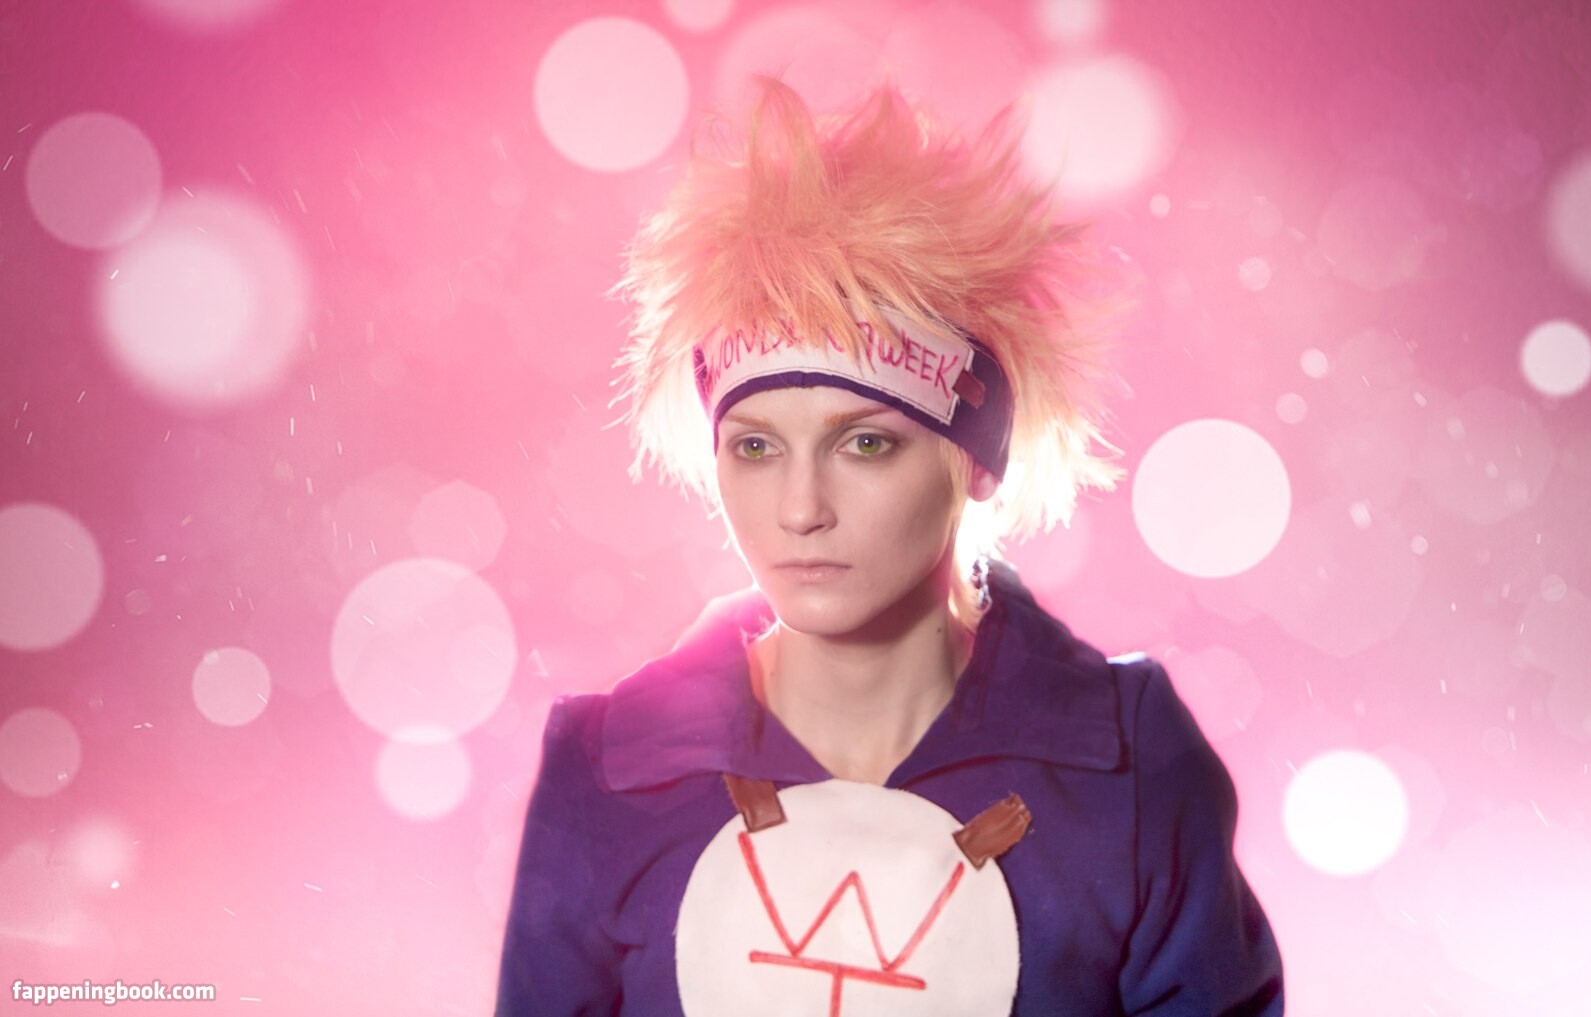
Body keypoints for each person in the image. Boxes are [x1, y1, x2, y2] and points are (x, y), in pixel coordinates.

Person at [495, 77, 1284, 1017]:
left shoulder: (1132, 767)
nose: (800, 509)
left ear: (978, 459)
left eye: (865, 443)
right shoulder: (606, 771)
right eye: (756, 447)